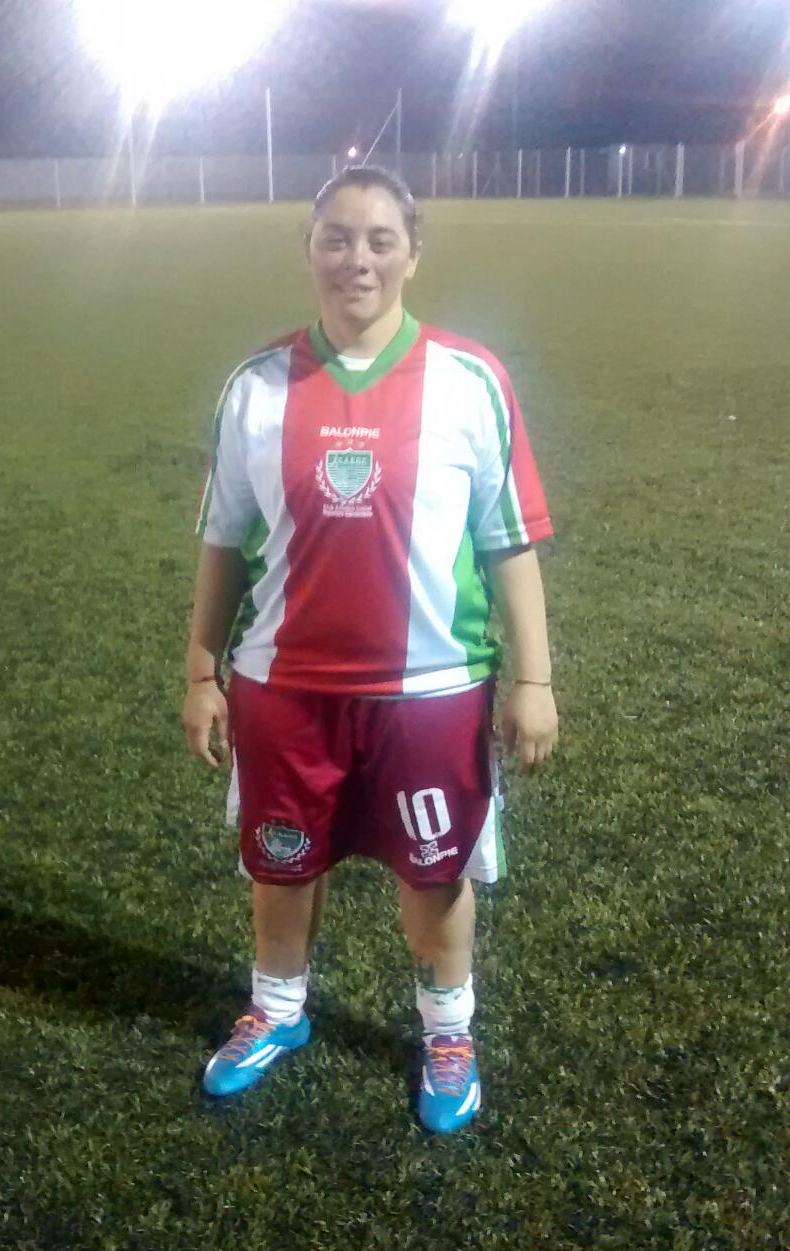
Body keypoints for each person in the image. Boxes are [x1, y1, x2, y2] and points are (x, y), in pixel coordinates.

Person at [182, 165, 557, 1135]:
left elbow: (508, 541)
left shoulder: (469, 380)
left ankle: (447, 1033)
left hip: (431, 692)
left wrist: (534, 677)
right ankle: (277, 1009)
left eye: (380, 240)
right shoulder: (257, 386)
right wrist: (201, 670)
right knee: (280, 863)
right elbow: (222, 541)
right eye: (338, 238)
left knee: (434, 875)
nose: (358, 258)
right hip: (283, 687)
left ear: (412, 254)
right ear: (309, 249)